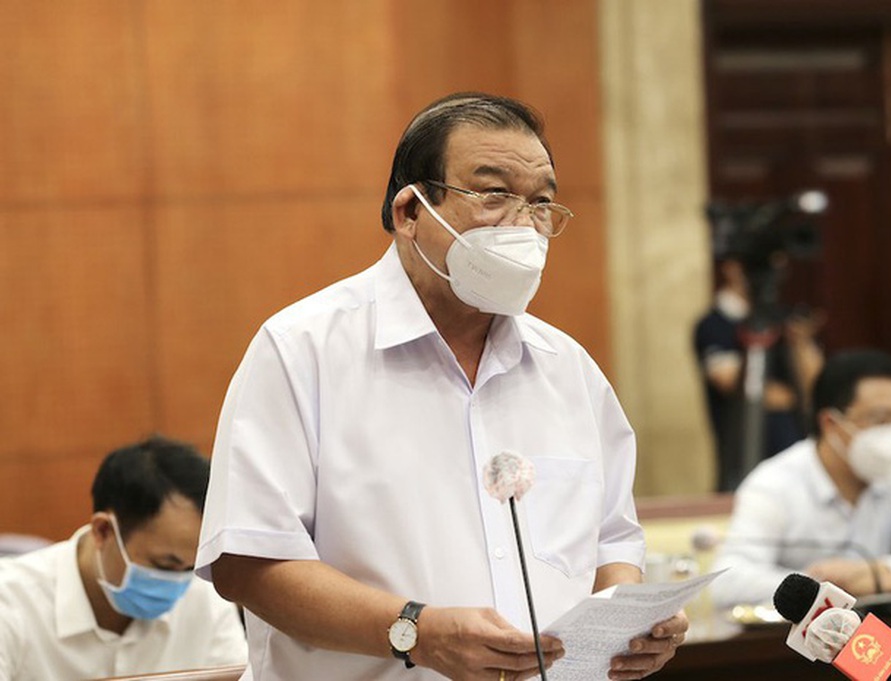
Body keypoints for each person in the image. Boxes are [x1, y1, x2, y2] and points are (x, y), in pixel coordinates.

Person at [195, 92, 689, 681]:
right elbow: (247, 562)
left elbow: (612, 545)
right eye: (494, 194)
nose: (523, 225)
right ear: (410, 212)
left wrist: (626, 624)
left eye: (540, 204)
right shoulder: (302, 350)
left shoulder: (568, 369)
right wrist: (415, 633)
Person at [710, 349, 891, 609]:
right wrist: (820, 587)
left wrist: (875, 572)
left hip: (879, 635)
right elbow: (727, 583)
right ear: (830, 422)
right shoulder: (774, 483)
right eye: (880, 419)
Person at [0, 436, 247, 680]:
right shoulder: (10, 602)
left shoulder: (206, 599)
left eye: (191, 567)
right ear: (103, 531)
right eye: (164, 565)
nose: (179, 583)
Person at [694, 256, 824, 491]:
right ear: (732, 269)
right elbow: (731, 382)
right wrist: (788, 397)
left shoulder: (782, 319)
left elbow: (816, 385)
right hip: (743, 454)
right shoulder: (714, 324)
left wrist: (801, 342)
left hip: (793, 450)